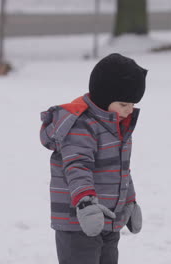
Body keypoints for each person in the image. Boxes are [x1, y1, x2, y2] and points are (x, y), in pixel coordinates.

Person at [40, 53, 147, 264]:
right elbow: (77, 167)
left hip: (108, 219)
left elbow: (122, 170)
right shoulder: (82, 126)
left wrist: (130, 201)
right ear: (104, 97)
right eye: (124, 104)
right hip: (78, 221)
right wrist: (86, 203)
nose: (130, 110)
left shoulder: (117, 127)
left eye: (133, 104)